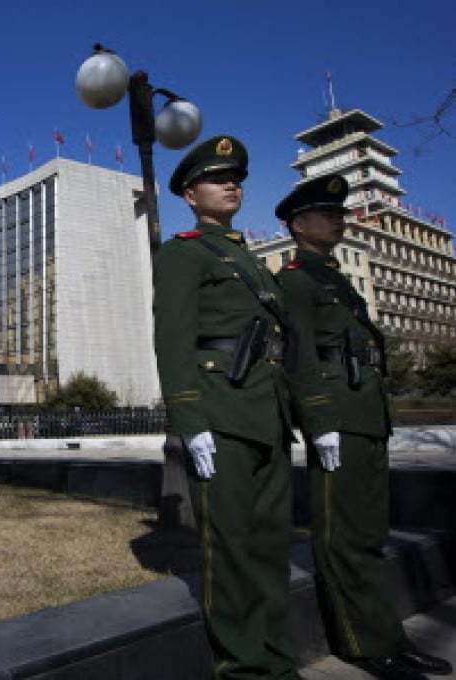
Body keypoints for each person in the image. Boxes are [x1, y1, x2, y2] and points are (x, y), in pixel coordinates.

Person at [153, 135, 339, 679]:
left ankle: (277, 661)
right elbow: (174, 340)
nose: (232, 184)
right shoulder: (185, 253)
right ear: (190, 194)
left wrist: (307, 419)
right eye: (218, 178)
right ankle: (246, 668)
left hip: (268, 417)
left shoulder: (249, 261)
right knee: (232, 550)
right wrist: (190, 419)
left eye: (236, 177)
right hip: (222, 415)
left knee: (267, 550)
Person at [275, 174, 452, 680]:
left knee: (370, 535)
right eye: (327, 212)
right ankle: (363, 645)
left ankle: (389, 638)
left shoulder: (334, 279)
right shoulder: (295, 281)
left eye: (340, 211)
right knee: (344, 537)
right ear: (298, 224)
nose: (339, 218)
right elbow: (300, 353)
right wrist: (320, 419)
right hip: (337, 419)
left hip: (364, 417)